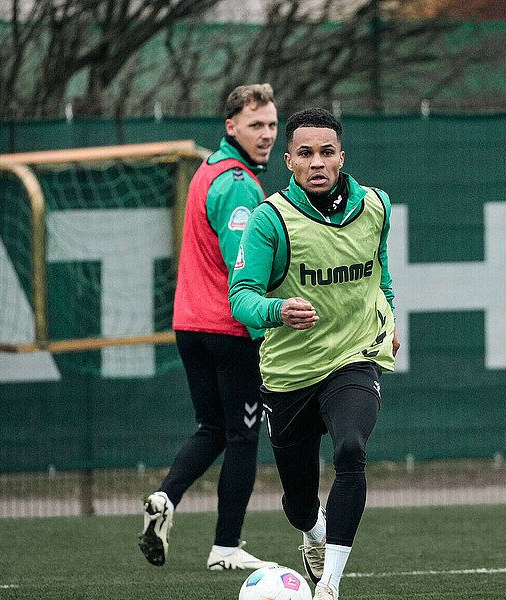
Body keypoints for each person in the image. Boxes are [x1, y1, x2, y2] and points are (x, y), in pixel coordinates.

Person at [228, 108, 400, 600]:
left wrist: (389, 311)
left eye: (327, 152)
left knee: (351, 450)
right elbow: (241, 296)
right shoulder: (270, 219)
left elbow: (379, 271)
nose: (318, 162)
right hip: (289, 373)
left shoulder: (375, 207)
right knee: (299, 503)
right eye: (306, 154)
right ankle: (313, 531)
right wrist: (279, 310)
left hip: (354, 355)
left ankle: (328, 586)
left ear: (341, 157)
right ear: (289, 161)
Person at [139, 83, 279, 571]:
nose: (266, 135)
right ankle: (225, 548)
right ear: (231, 126)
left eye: (271, 125)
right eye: (255, 125)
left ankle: (166, 499)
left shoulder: (208, 169)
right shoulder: (239, 183)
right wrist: (269, 319)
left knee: (213, 428)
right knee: (242, 437)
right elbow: (245, 266)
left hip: (189, 324)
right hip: (228, 328)